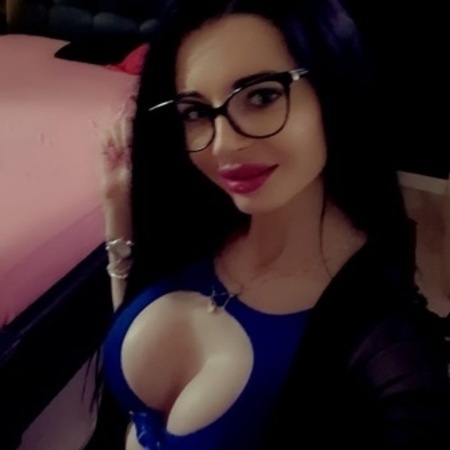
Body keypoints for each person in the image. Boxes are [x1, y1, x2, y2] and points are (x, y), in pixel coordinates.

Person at [98, 0, 450, 448]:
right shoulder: (201, 224)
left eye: (262, 97)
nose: (223, 146)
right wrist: (118, 214)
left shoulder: (384, 341)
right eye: (196, 112)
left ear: (334, 92)